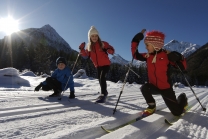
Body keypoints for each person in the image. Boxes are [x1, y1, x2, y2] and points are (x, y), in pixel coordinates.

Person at [131, 30, 188, 117]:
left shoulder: (166, 56)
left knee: (177, 113)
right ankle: (151, 106)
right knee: (144, 88)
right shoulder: (148, 56)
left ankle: (183, 98)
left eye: (147, 45)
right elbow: (135, 55)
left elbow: (182, 67)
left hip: (166, 89)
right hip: (153, 87)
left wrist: (179, 57)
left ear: (155, 45)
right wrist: (135, 41)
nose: (146, 47)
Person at [79, 26, 115, 103]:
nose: (94, 37)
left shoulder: (103, 44)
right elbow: (85, 56)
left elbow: (112, 49)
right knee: (100, 79)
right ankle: (105, 92)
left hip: (106, 64)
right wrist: (82, 49)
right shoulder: (89, 47)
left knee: (102, 77)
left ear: (98, 36)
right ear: (89, 37)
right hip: (98, 66)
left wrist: (110, 50)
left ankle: (103, 94)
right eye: (92, 36)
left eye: (96, 36)